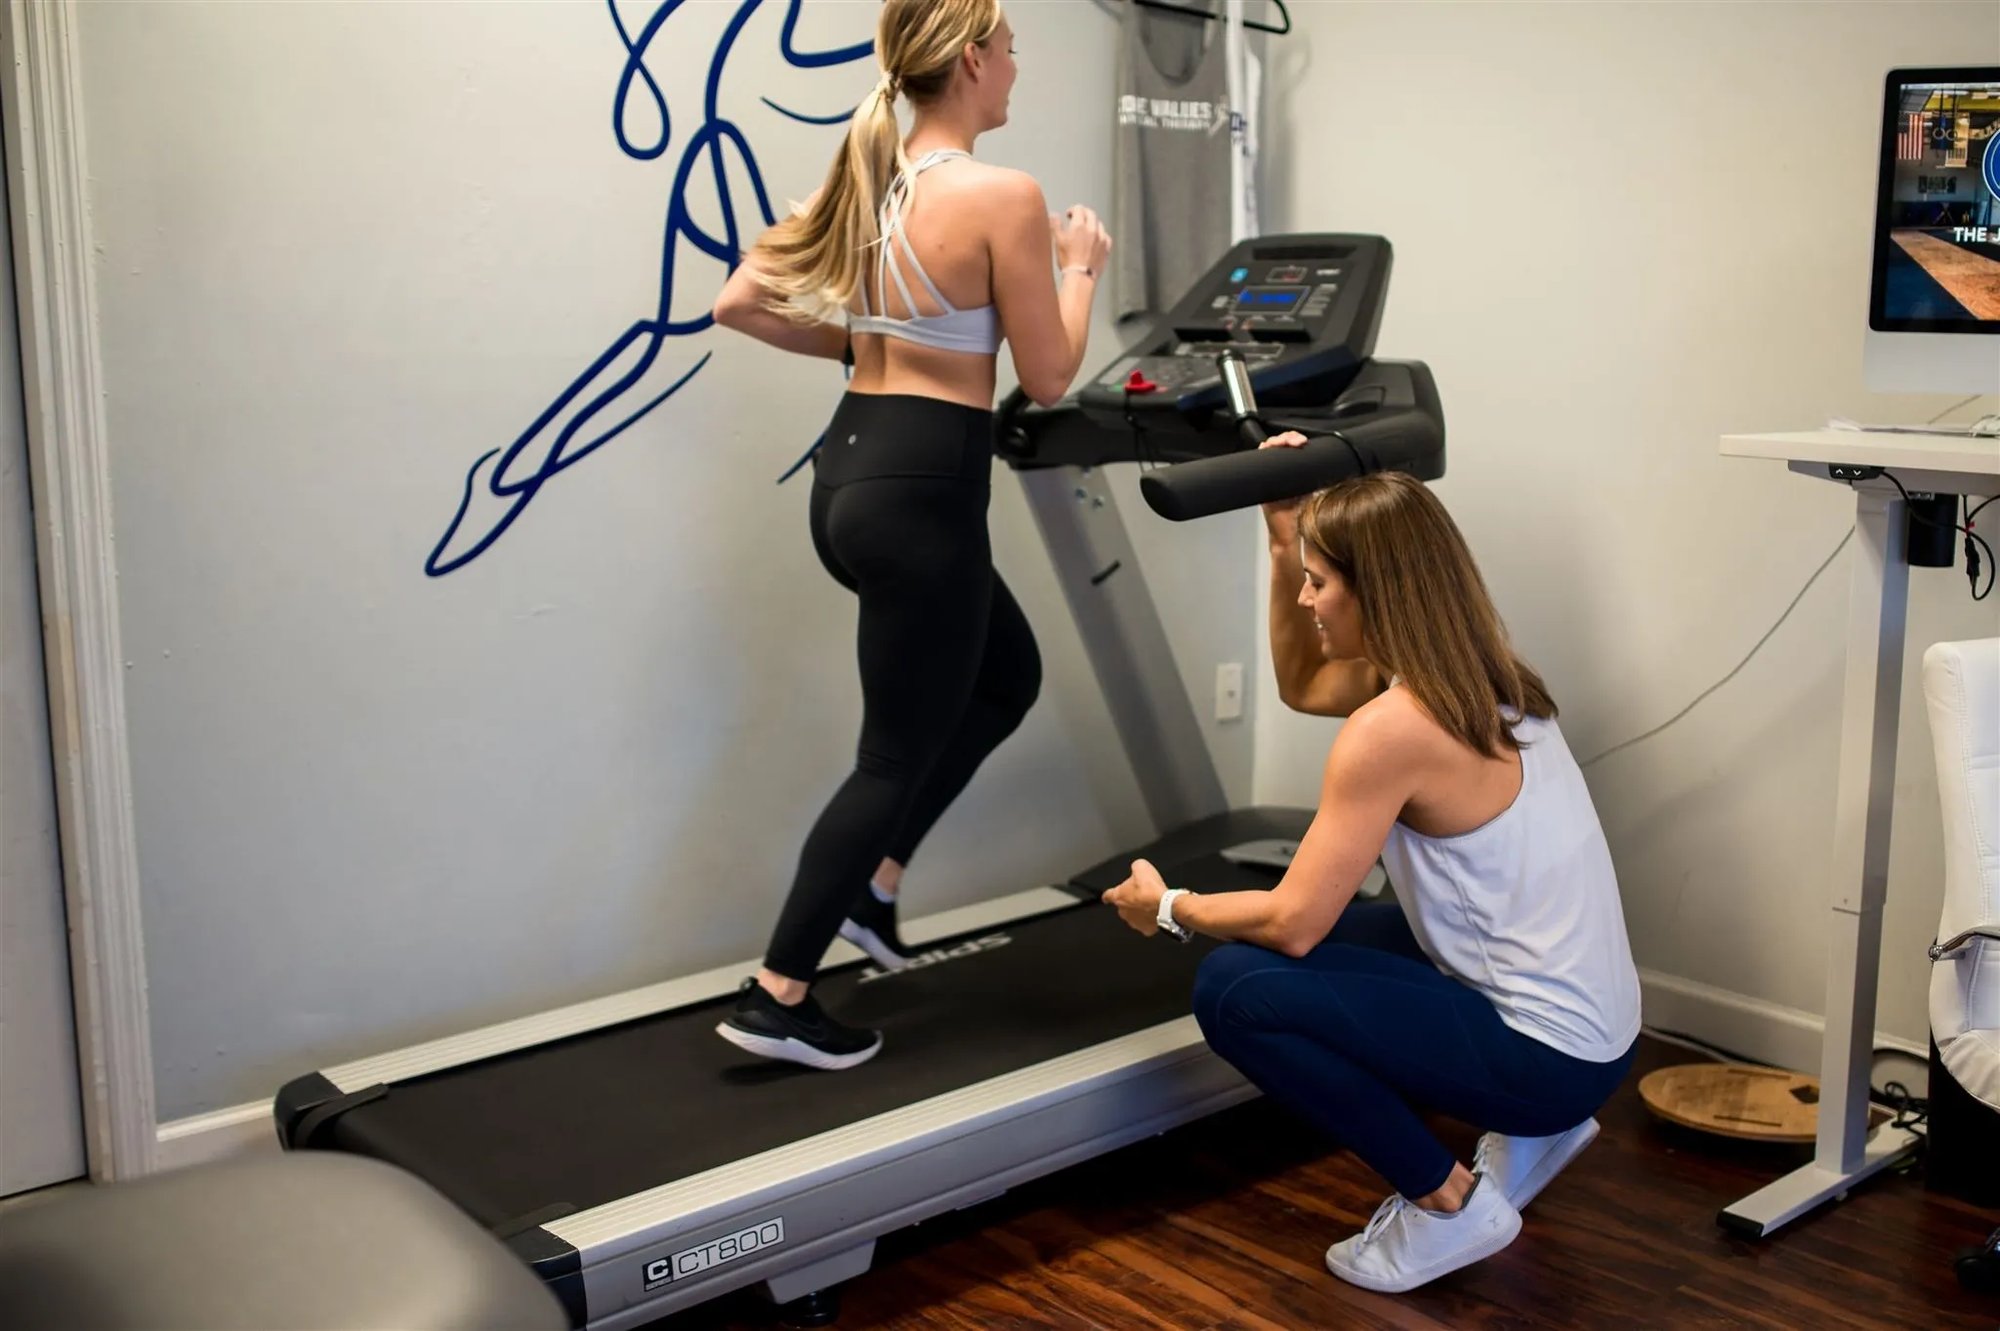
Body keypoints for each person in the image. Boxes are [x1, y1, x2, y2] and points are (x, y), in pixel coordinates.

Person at [1102, 439, 1642, 1292]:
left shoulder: (1391, 728)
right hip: (1597, 1037)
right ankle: (1544, 1131)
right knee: (1335, 941)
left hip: (1551, 1062)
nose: (1309, 599)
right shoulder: (1484, 676)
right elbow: (1302, 683)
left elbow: (1294, 919)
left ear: (1376, 589)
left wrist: (1170, 904)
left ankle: (1448, 1205)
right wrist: (1285, 539)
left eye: (1320, 581)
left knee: (1236, 986)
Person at [709, 0, 1112, 1070]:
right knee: (890, 753)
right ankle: (777, 990)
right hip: (925, 491)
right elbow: (1051, 372)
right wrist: (1079, 266)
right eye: (1012, 49)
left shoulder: (871, 178)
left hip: (850, 472)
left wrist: (872, 338)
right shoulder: (1001, 196)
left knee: (1002, 677)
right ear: (974, 59)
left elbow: (738, 302)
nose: (1016, 67)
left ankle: (874, 892)